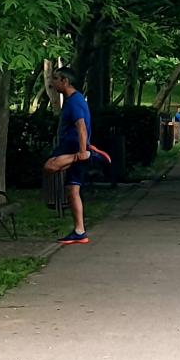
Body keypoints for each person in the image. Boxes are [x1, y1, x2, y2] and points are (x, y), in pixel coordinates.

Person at [42, 67, 109, 244]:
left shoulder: (75, 101)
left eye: (56, 78)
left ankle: (89, 155)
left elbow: (81, 126)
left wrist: (81, 152)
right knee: (72, 190)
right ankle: (80, 232)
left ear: (65, 81)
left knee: (49, 166)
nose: (52, 82)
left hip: (73, 148)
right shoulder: (72, 100)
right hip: (75, 147)